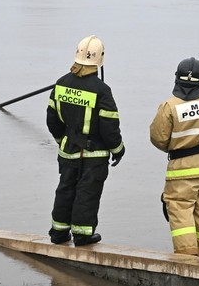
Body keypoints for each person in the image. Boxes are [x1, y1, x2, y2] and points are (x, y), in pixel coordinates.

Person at [46, 35, 125, 246]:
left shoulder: (61, 84)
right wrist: (118, 149)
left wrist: (61, 140)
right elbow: (109, 127)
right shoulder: (102, 90)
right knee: (87, 192)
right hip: (94, 154)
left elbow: (52, 119)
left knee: (65, 188)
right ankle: (82, 234)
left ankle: (58, 232)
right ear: (100, 59)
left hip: (67, 149)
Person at [149, 57, 199, 257]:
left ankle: (188, 262)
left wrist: (175, 145)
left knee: (181, 212)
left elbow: (158, 138)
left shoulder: (169, 106)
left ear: (177, 79)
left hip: (183, 168)